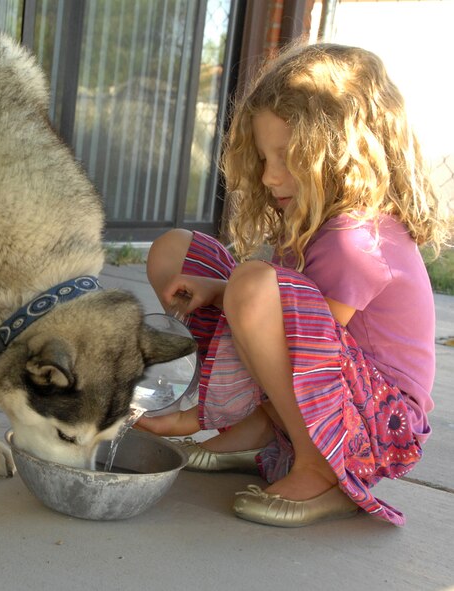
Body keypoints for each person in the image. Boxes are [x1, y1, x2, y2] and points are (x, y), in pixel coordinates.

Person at [136, 42, 449, 527]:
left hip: (376, 427)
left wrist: (197, 416)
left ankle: (322, 467)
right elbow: (286, 330)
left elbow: (302, 343)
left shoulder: (360, 242)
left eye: (286, 156)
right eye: (263, 157)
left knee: (254, 284)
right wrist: (217, 288)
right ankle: (259, 432)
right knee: (177, 251)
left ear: (344, 154)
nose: (268, 175)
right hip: (327, 396)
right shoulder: (314, 223)